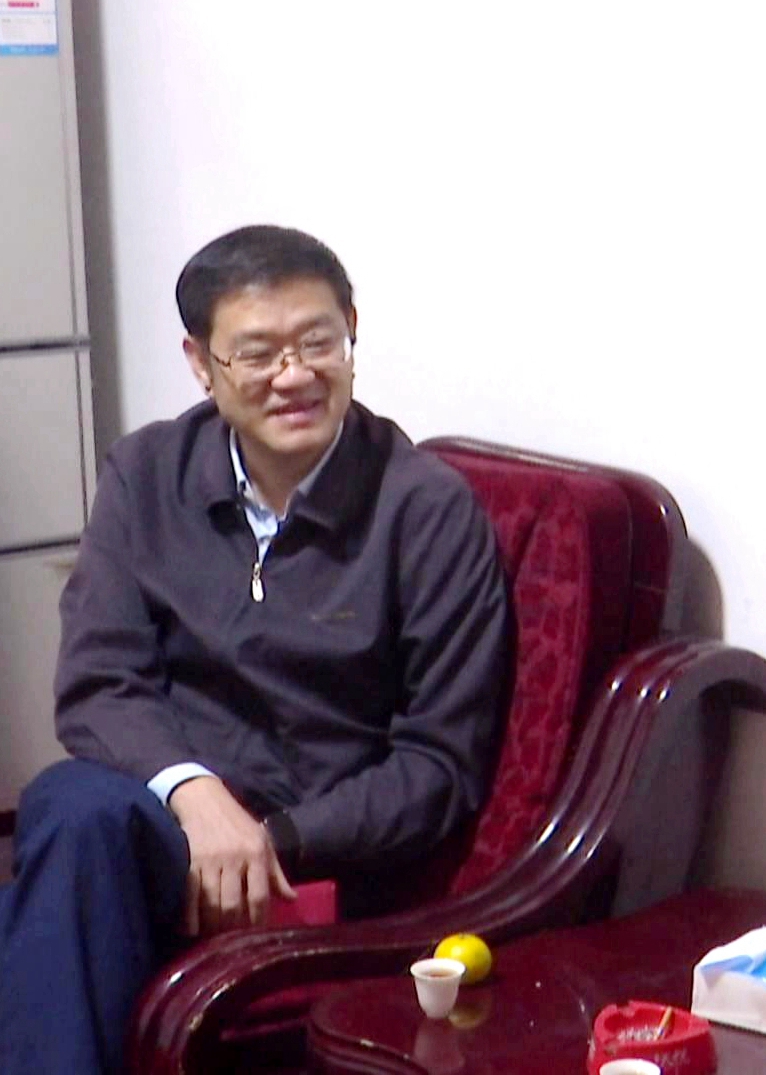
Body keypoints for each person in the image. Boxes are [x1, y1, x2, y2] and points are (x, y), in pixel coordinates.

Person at [0, 225, 513, 1074]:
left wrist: (268, 839)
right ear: (201, 363)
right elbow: (99, 682)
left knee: (54, 907)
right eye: (257, 354)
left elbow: (438, 765)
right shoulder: (147, 472)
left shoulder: (424, 509)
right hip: (159, 824)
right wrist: (197, 798)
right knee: (74, 807)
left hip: (318, 849)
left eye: (318, 342)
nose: (295, 375)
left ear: (352, 332)